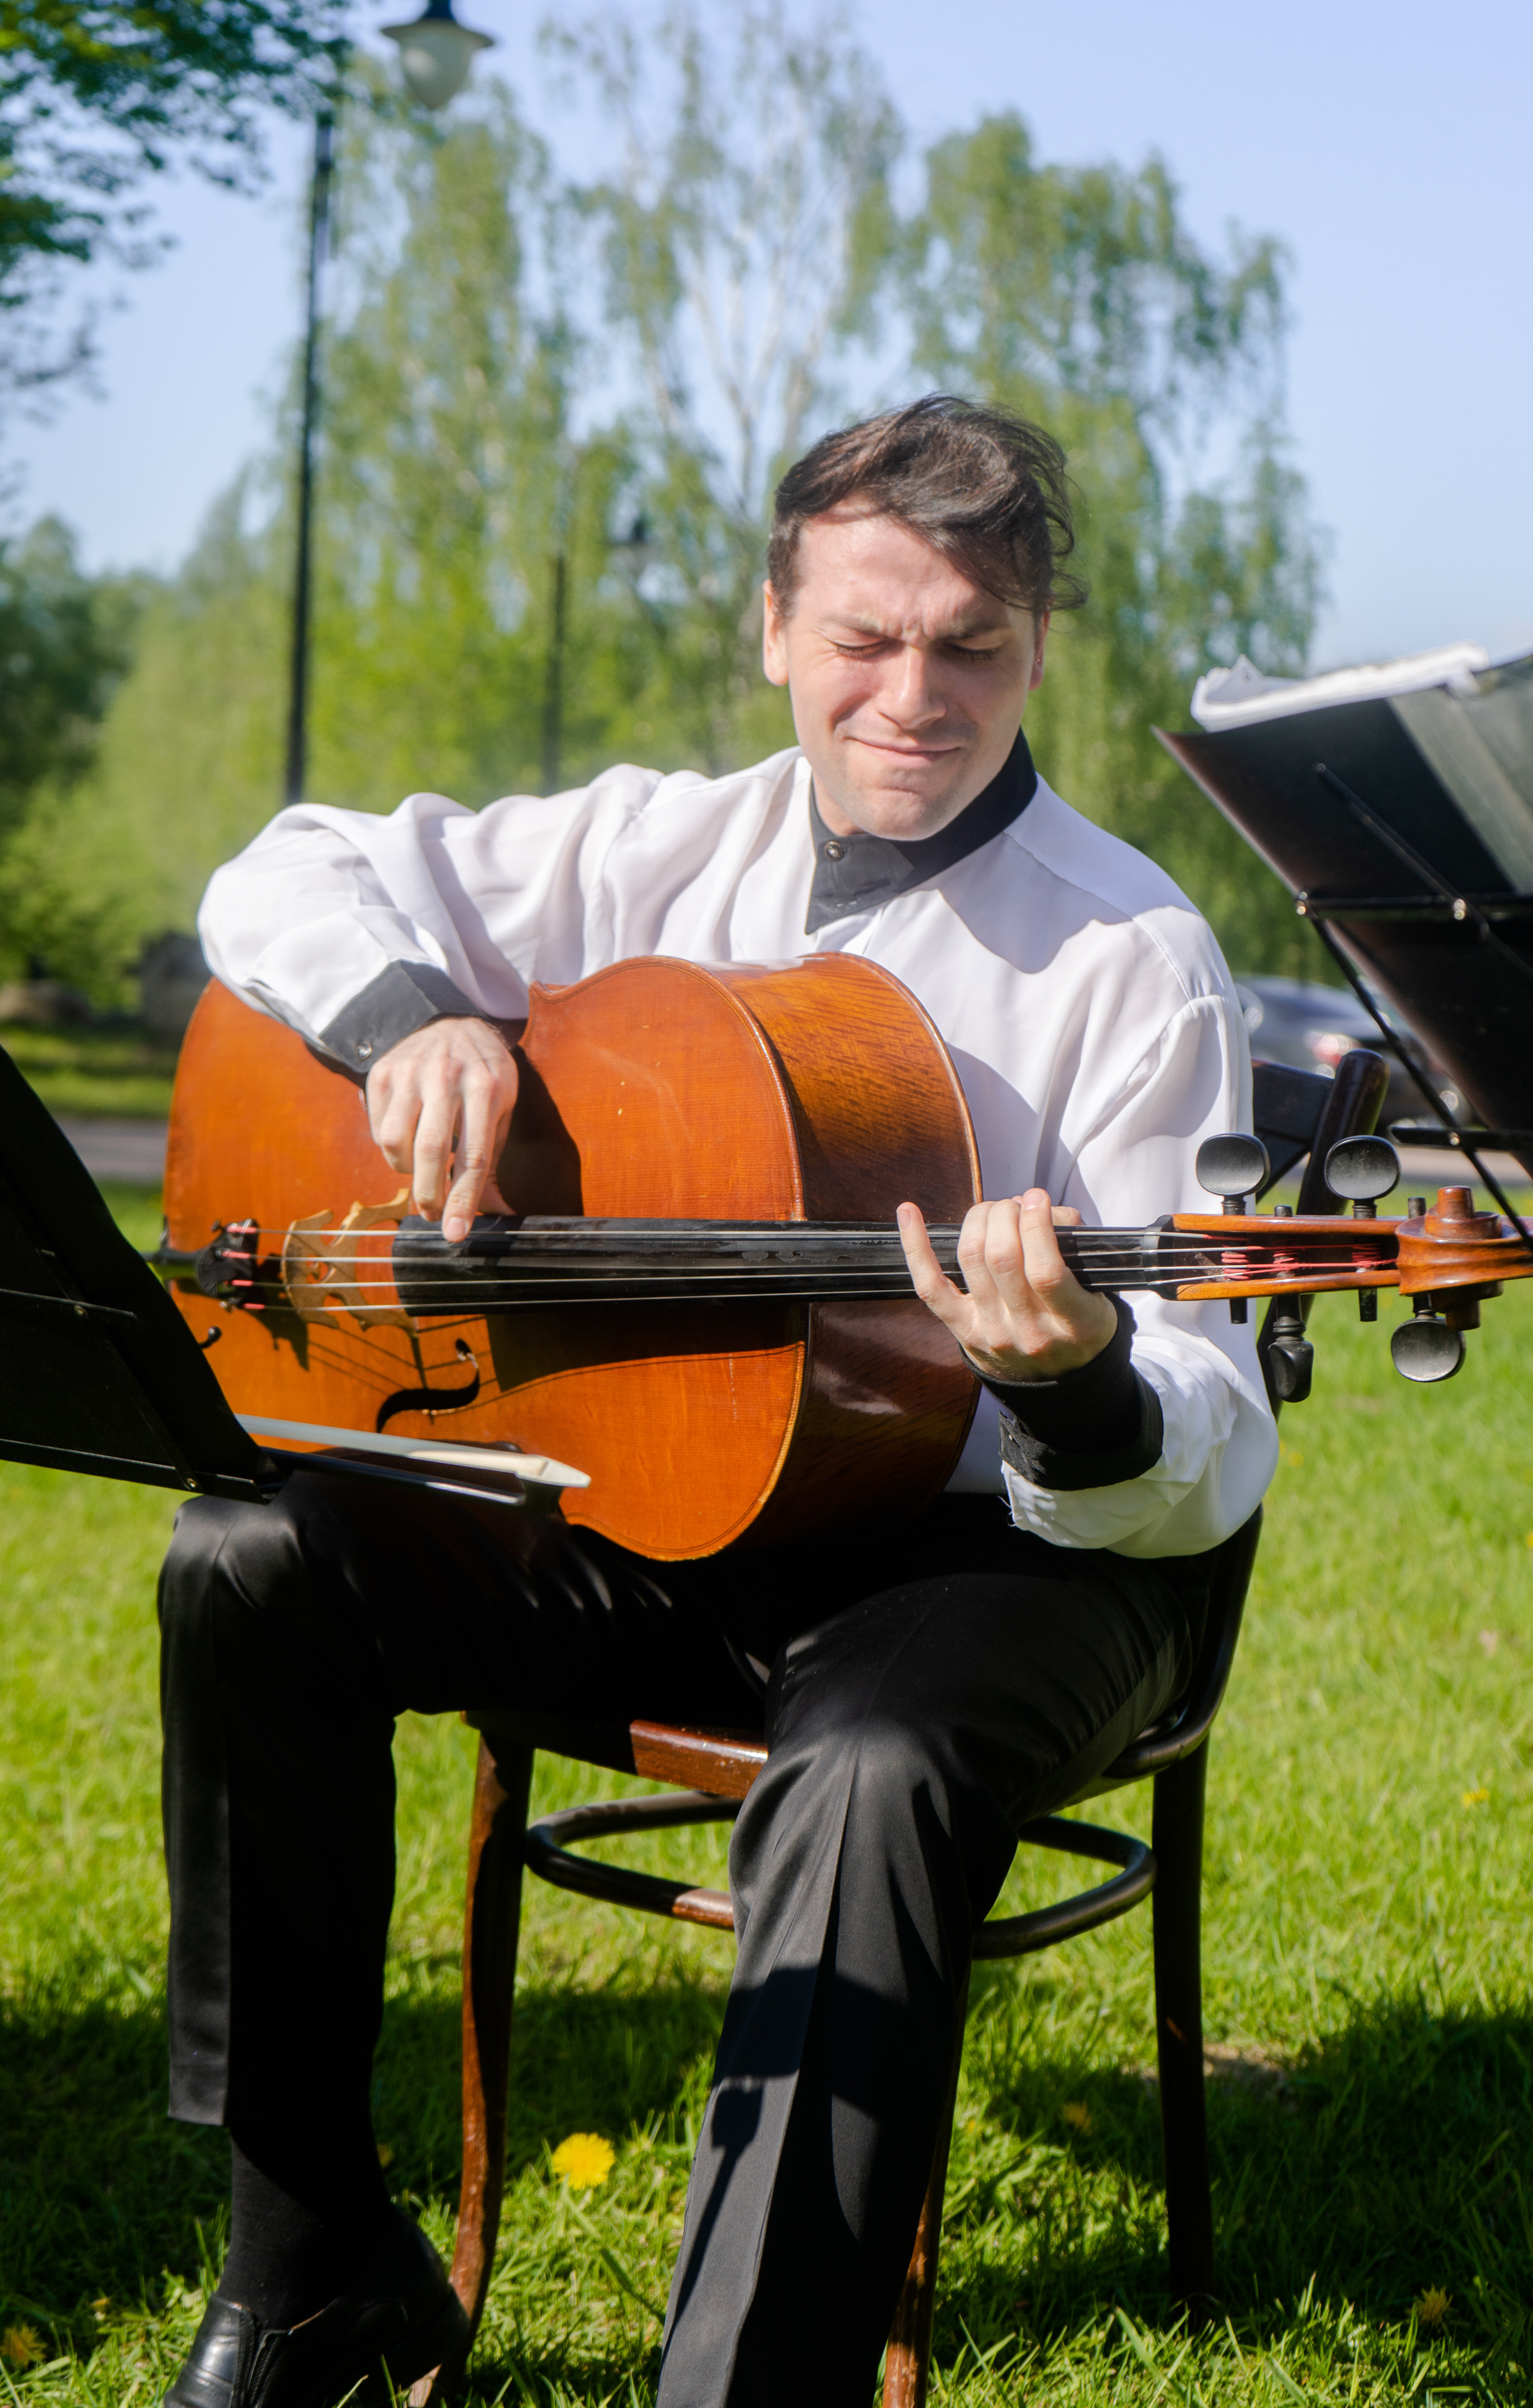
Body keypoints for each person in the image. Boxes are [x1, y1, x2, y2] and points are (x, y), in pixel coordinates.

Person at [158, 395, 1277, 2408]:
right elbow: (287, 870)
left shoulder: (1134, 955)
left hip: (1014, 1544)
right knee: (252, 1555)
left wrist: (1084, 1381)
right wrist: (413, 1021)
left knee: (863, 1777)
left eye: (972, 647)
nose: (912, 695)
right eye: (863, 638)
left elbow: (1203, 1421)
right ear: (776, 627)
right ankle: (310, 2253)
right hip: (676, 1500)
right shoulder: (652, 844)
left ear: (1038, 650)